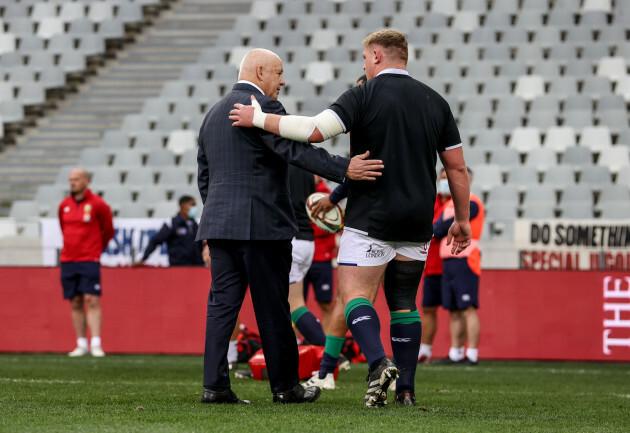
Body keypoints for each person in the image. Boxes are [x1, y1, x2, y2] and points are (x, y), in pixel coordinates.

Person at [229, 30, 471, 407]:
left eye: (363, 57)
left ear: (376, 55)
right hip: (417, 220)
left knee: (356, 296)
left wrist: (259, 118)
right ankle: (406, 392)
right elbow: (456, 169)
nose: (362, 64)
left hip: (372, 216)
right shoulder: (436, 102)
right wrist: (463, 220)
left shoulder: (364, 94)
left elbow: (314, 132)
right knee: (404, 301)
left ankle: (378, 364)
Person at [197, 48, 384, 405]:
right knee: (273, 308)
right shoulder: (261, 107)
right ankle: (285, 387)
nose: (283, 81)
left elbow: (204, 176)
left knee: (222, 306)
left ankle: (215, 386)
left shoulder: (213, 114)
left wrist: (217, 217)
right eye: (279, 73)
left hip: (220, 227)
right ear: (261, 70)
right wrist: (344, 168)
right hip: (262, 227)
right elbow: (296, 152)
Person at [58, 168, 114, 357]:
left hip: (89, 259)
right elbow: (62, 228)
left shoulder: (98, 204)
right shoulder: (64, 205)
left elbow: (109, 230)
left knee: (92, 299)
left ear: (86, 181)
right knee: (75, 301)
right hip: (68, 259)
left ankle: (96, 343)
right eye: (70, 179)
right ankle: (81, 344)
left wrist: (96, 249)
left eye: (76, 179)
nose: (72, 182)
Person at [434, 168, 484, 366]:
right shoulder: (449, 204)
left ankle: (471, 354)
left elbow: (441, 227)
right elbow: (437, 228)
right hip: (449, 260)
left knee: (468, 308)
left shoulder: (472, 201)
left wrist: (439, 228)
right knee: (453, 310)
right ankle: (455, 353)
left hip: (466, 259)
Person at [287, 165, 327, 347]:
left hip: (290, 239)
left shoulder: (280, 157)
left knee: (294, 306)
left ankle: (332, 356)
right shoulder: (305, 159)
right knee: (289, 304)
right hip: (307, 240)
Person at [418, 168, 451, 363]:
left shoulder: (458, 203)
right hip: (431, 265)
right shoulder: (431, 200)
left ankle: (459, 352)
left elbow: (437, 230)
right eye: (443, 178)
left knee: (457, 311)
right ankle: (425, 351)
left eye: (448, 178)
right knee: (428, 308)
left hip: (451, 264)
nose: (445, 181)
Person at [302, 175, 336, 333]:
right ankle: (296, 345)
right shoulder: (295, 192)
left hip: (321, 259)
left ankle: (325, 348)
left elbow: (335, 225)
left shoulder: (329, 197)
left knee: (326, 305)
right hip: (299, 257)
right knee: (295, 304)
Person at [132, 195, 203, 267]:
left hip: (197, 267)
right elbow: (155, 240)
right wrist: (143, 259)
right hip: (178, 268)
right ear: (183, 206)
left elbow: (201, 246)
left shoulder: (196, 225)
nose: (195, 208)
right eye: (192, 205)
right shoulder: (171, 223)